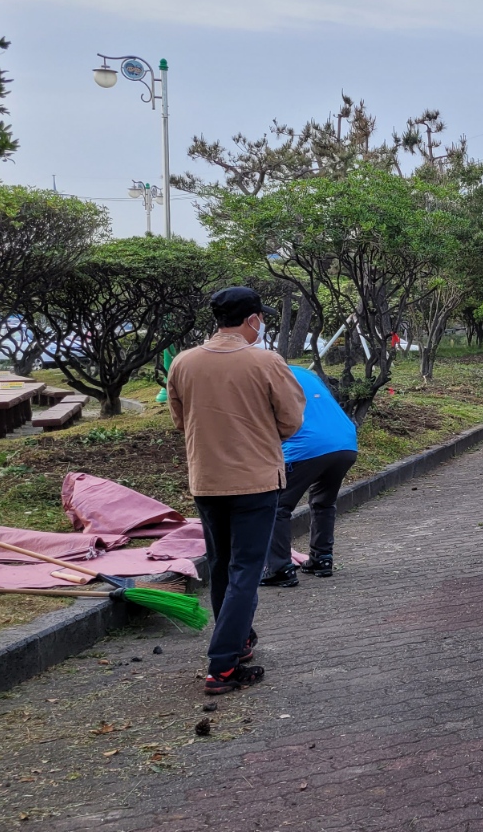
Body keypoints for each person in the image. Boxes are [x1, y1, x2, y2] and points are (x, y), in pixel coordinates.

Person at [167, 287, 306, 695]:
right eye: (260, 317)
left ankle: (239, 642)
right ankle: (223, 665)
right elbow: (291, 420)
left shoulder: (183, 362)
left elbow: (180, 420)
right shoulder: (266, 361)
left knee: (223, 564)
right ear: (252, 319)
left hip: (207, 481)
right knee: (246, 569)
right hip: (255, 481)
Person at [261, 365, 359, 587]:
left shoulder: (265, 375)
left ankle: (279, 568)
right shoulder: (304, 373)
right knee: (323, 502)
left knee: (277, 506)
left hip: (306, 446)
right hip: (344, 442)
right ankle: (321, 559)